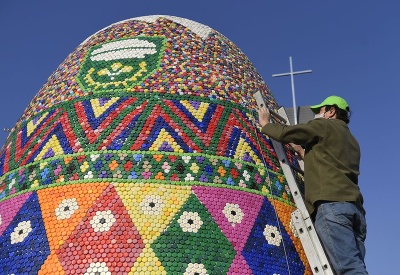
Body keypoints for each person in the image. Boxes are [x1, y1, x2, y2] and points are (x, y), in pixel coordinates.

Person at [257, 95, 368, 274]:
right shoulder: (352, 141)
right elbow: (331, 161)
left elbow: (292, 132)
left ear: (331, 111)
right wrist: (304, 153)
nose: (317, 115)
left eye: (321, 111)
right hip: (355, 210)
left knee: (349, 270)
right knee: (355, 265)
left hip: (332, 206)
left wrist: (267, 124)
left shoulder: (324, 126)